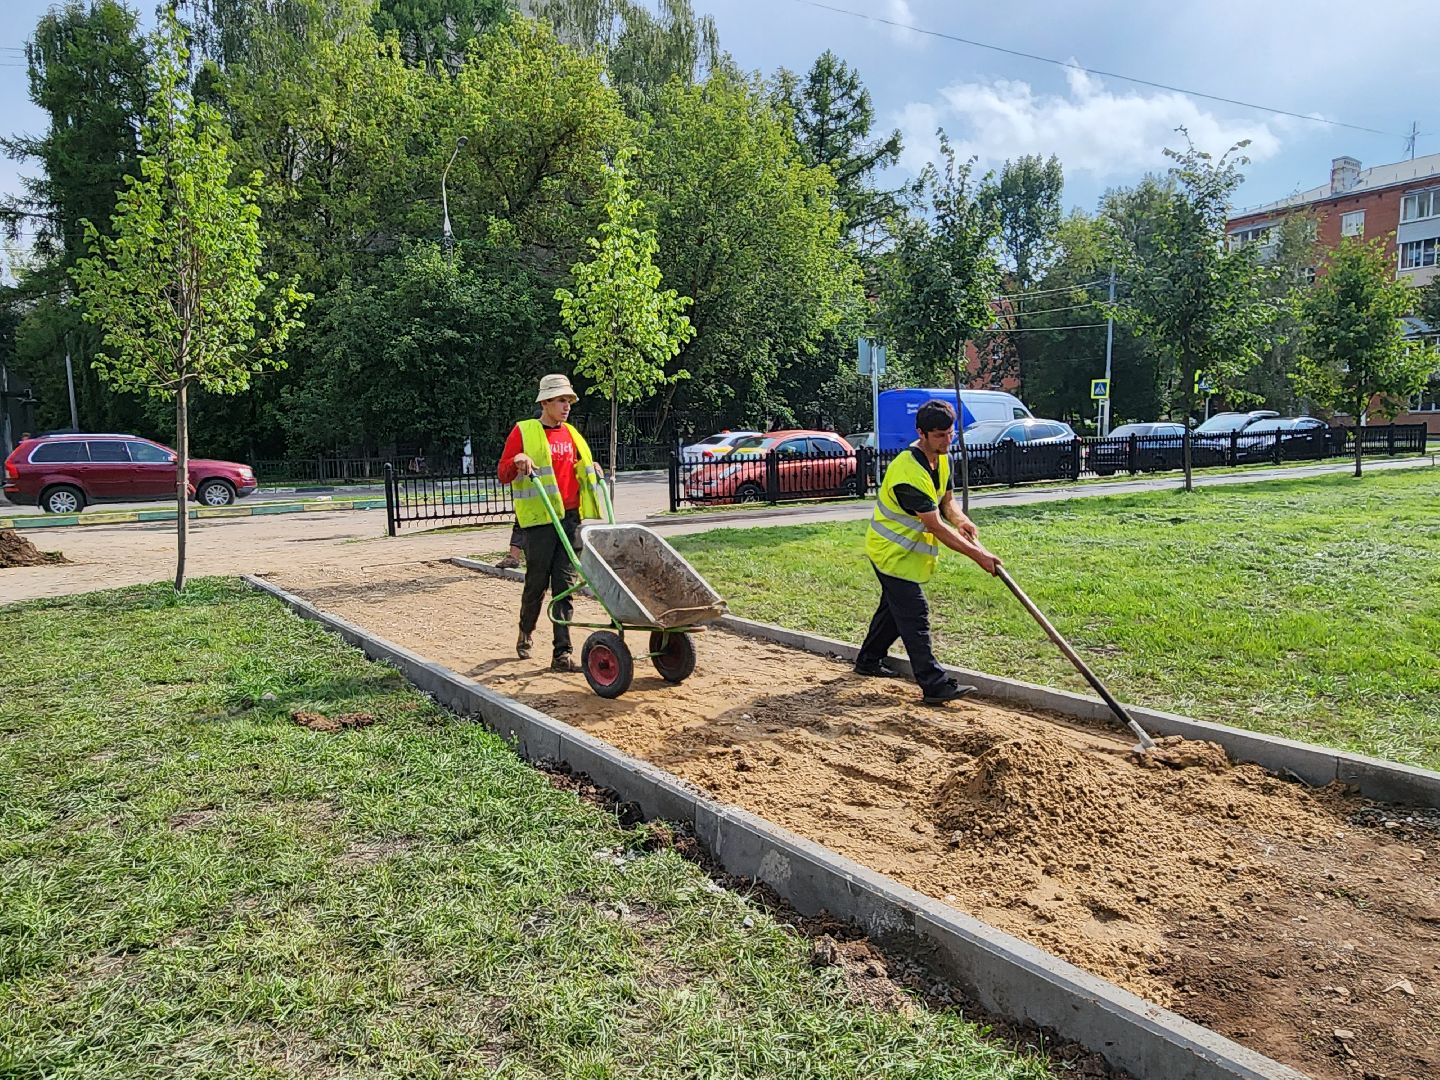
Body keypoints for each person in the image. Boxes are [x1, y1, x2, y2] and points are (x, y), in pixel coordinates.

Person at [854, 398, 1002, 705]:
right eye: (939, 435)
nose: (947, 440)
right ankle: (935, 685)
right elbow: (935, 526)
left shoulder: (941, 457)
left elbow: (947, 503)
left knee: (894, 612)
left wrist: (962, 520)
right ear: (921, 433)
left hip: (907, 553)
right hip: (889, 552)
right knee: (914, 613)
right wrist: (979, 557)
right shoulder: (908, 473)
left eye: (951, 434)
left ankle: (868, 660)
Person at [497, 373, 606, 671]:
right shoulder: (525, 431)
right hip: (540, 522)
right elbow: (503, 472)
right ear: (545, 401)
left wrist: (592, 468)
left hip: (570, 518)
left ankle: (562, 653)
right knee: (536, 583)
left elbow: (579, 470)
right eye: (561, 400)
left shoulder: (572, 434)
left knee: (565, 586)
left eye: (569, 400)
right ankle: (526, 630)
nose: (567, 405)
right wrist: (518, 459)